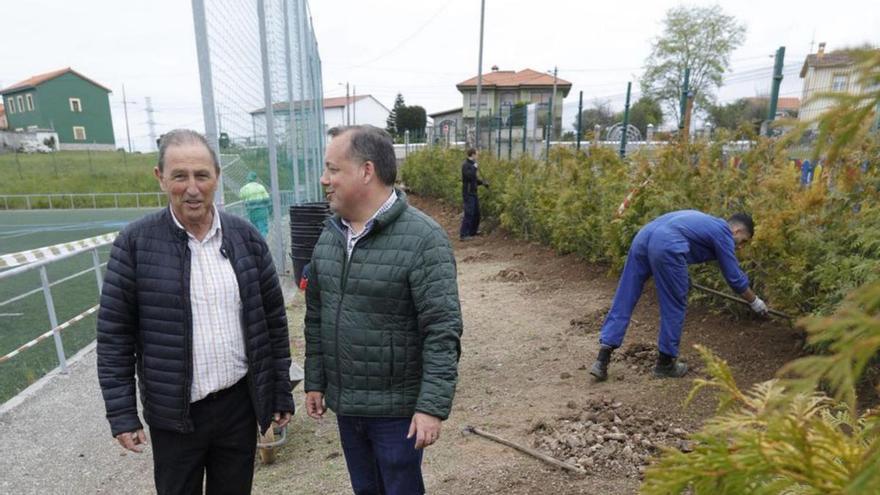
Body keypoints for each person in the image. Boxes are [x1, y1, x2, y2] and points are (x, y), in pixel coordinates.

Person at [96, 129, 295, 494]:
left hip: (238, 406)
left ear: (216, 177)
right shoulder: (134, 245)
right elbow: (114, 337)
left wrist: (279, 391)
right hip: (175, 416)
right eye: (179, 176)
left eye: (201, 175)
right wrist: (122, 413)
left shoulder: (246, 239)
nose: (192, 188)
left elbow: (272, 322)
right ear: (160, 178)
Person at [304, 125, 463, 495]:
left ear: (366, 171)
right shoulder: (331, 236)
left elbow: (442, 330)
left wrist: (430, 407)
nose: (324, 179)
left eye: (333, 169)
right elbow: (316, 316)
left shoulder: (423, 239)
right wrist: (315, 380)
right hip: (348, 404)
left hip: (397, 411)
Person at [589, 210, 768, 381]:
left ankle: (602, 358)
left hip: (644, 236)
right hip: (666, 242)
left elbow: (680, 238)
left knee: (626, 294)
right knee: (674, 303)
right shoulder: (724, 233)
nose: (740, 246)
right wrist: (755, 301)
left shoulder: (702, 220)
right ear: (737, 230)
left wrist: (681, 275)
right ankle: (665, 364)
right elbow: (734, 278)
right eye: (743, 241)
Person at [459, 147, 488, 241]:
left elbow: (474, 179)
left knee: (476, 213)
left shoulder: (472, 165)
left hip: (474, 192)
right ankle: (464, 234)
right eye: (477, 154)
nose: (478, 155)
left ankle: (473, 231)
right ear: (473, 154)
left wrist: (483, 183)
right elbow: (469, 176)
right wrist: (475, 167)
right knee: (469, 213)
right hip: (468, 192)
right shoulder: (466, 165)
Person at [239, 170, 272, 237]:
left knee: (254, 230)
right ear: (256, 179)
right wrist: (270, 210)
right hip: (261, 212)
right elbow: (267, 200)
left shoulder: (244, 189)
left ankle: (256, 245)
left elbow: (241, 197)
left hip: (251, 213)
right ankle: (262, 244)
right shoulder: (260, 187)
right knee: (263, 230)